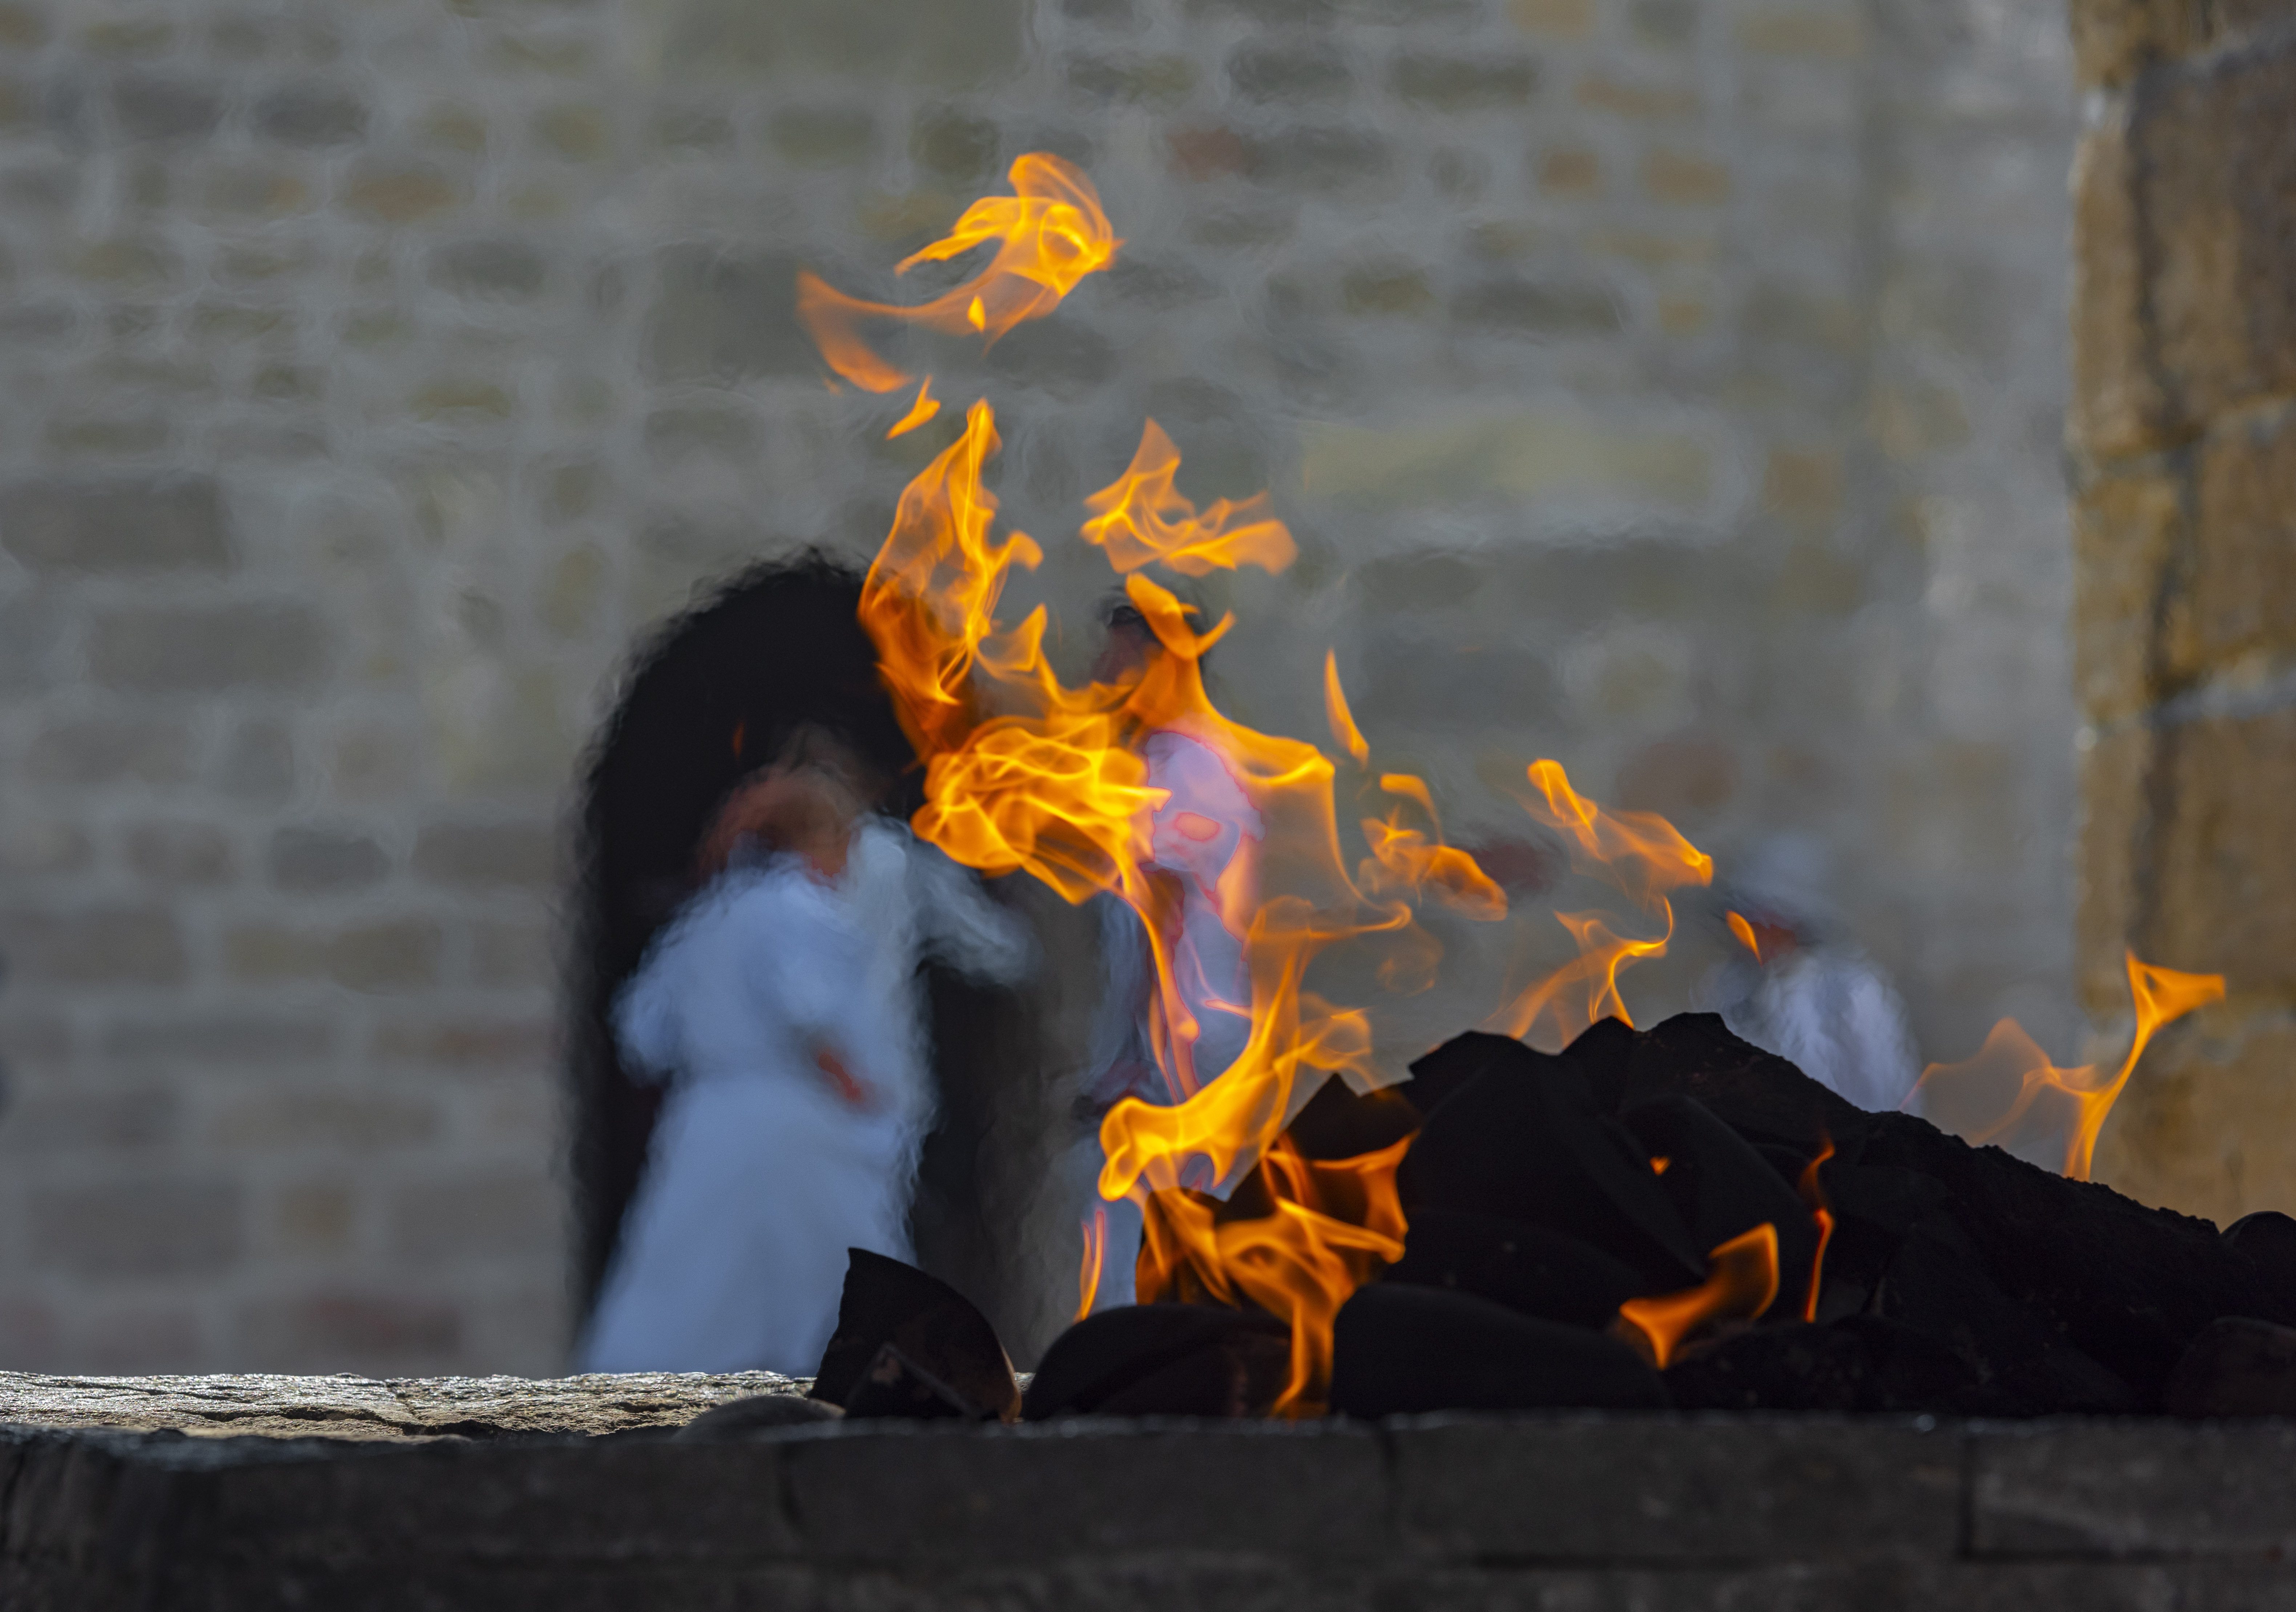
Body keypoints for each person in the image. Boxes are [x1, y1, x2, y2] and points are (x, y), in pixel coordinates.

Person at [579, 732, 1034, 1374]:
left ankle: (639, 1394)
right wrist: (857, 1088)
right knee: (848, 1267)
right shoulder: (797, 908)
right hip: (794, 1120)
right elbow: (808, 1010)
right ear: (818, 841)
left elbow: (642, 1030)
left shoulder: (710, 916)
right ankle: (887, 1383)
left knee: (692, 1273)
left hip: (705, 1120)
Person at [1070, 598, 1267, 1309]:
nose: (1104, 670)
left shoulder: (1191, 766)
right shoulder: (1158, 759)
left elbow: (1166, 911)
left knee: (1149, 1217)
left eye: (1121, 655)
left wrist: (1139, 1046)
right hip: (1178, 1030)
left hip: (1181, 1033)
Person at [1700, 832, 1920, 1114]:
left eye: (1772, 918)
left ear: (1799, 921)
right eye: (1752, 917)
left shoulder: (1853, 992)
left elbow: (1894, 1096)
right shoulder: (1728, 988)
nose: (1760, 930)